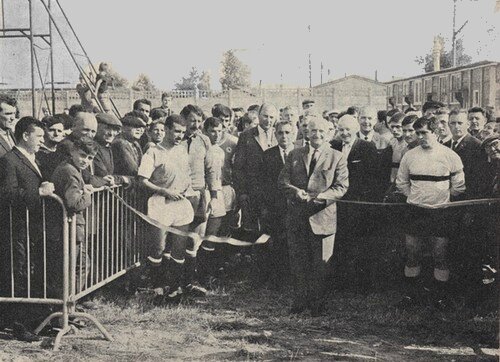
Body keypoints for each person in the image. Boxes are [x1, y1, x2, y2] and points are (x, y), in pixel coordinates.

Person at [279, 117, 348, 316]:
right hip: (297, 218)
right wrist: (295, 192)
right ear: (306, 133)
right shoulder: (294, 154)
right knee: (299, 262)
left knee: (321, 265)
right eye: (312, 131)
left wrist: (320, 197)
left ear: (328, 133)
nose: (317, 135)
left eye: (321, 131)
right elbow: (282, 181)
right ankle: (300, 302)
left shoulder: (337, 157)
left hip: (323, 218)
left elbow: (341, 187)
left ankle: (318, 305)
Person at [396, 117, 466, 308]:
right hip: (415, 211)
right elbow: (401, 182)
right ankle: (411, 296)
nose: (420, 137)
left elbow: (458, 185)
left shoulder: (450, 155)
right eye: (417, 133)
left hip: (440, 212)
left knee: (440, 254)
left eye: (424, 132)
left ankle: (440, 297)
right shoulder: (410, 155)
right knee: (412, 252)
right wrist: (413, 197)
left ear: (435, 133)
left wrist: (441, 199)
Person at [0, 116, 54, 341]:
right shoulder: (9, 161)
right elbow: (6, 194)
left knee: (28, 272)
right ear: (25, 136)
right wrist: (38, 193)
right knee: (17, 274)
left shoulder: (33, 158)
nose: (43, 140)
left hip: (31, 226)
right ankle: (15, 324)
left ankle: (29, 319)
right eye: (39, 136)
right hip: (16, 228)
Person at [138, 114, 195, 303]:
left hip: (180, 203)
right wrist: (164, 191)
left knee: (179, 247)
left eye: (183, 132)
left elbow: (186, 174)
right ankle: (158, 288)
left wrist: (185, 188)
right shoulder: (153, 151)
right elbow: (143, 180)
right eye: (176, 131)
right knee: (158, 248)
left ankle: (175, 289)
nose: (180, 136)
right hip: (160, 203)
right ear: (167, 130)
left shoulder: (183, 150)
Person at [50, 137, 98, 295]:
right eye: (83, 155)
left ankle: (70, 305)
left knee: (80, 265)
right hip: (70, 227)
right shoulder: (70, 172)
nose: (86, 161)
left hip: (70, 227)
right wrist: (88, 195)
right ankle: (67, 308)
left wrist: (83, 189)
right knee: (75, 268)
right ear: (73, 151)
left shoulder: (71, 168)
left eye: (90, 158)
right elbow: (74, 203)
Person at [233, 103, 278, 235]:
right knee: (250, 228)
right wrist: (241, 192)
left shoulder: (279, 135)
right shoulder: (246, 136)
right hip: (251, 191)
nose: (268, 120)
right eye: (265, 116)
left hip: (273, 192)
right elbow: (238, 167)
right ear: (258, 116)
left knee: (270, 228)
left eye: (271, 117)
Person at [261, 120, 296, 288]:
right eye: (280, 133)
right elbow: (265, 183)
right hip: (275, 207)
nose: (284, 136)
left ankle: (294, 277)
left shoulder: (300, 153)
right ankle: (277, 278)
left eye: (288, 133)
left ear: (294, 134)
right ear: (275, 135)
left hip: (296, 206)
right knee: (277, 242)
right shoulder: (268, 155)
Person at [197, 117, 226, 285]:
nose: (216, 135)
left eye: (219, 131)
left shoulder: (220, 151)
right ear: (205, 131)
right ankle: (196, 275)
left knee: (212, 235)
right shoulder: (200, 149)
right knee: (199, 235)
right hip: (204, 192)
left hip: (218, 192)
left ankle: (206, 275)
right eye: (212, 131)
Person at [93, 112, 130, 185]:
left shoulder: (109, 147)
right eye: (107, 128)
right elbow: (104, 174)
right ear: (97, 128)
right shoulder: (93, 147)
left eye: (115, 130)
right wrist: (122, 179)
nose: (111, 133)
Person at [112, 111, 147, 176]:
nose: (139, 130)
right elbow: (132, 169)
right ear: (123, 128)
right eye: (134, 126)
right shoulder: (120, 143)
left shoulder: (135, 143)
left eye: (141, 127)